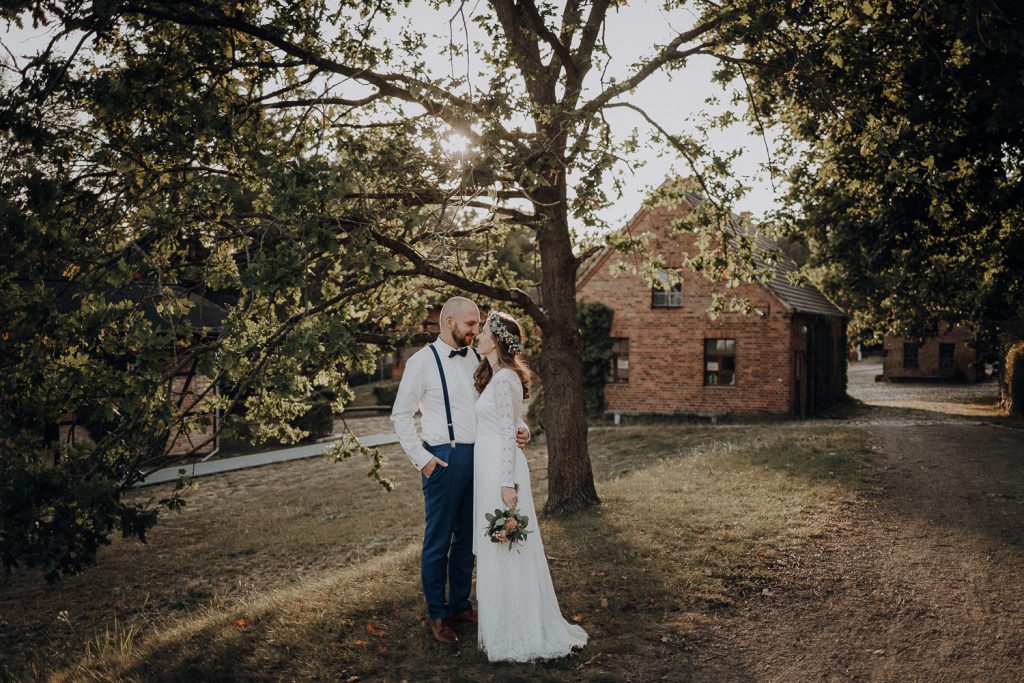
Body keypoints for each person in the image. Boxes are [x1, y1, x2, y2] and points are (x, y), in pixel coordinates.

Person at [390, 297, 530, 644]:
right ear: (448, 320)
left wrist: (521, 427)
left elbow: (499, 406)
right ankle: (437, 615)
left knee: (468, 538)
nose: (475, 331)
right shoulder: (421, 362)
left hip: (482, 458)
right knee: (438, 541)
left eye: (478, 325)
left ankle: (459, 605)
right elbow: (400, 415)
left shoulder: (480, 359)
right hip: (443, 458)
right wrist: (421, 459)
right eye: (470, 324)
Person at [472, 311, 588, 662]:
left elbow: (508, 431)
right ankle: (502, 624)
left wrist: (507, 483)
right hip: (490, 464)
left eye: (483, 332)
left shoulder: (505, 378)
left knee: (509, 546)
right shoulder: (496, 377)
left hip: (501, 469)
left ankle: (519, 629)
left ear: (497, 339)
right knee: (497, 547)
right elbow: (511, 422)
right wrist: (522, 427)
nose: (478, 337)